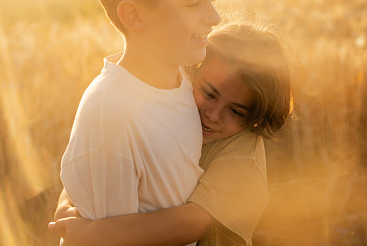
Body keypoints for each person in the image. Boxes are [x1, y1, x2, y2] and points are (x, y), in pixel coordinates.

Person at [50, 22, 294, 246]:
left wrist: (96, 235)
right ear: (194, 71)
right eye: (209, 94)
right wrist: (65, 208)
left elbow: (192, 223)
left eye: (236, 111)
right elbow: (94, 160)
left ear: (257, 116)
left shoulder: (244, 158)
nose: (213, 114)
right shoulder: (175, 104)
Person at [57, 0, 222, 237]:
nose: (214, 17)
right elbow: (110, 238)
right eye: (193, 3)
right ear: (134, 15)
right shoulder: (111, 111)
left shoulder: (189, 78)